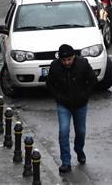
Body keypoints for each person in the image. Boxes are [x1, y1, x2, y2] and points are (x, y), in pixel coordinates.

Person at [46, 43, 98, 174]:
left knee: (80, 131)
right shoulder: (55, 66)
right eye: (64, 60)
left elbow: (92, 80)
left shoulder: (83, 64)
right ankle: (66, 162)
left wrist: (85, 95)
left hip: (80, 104)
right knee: (63, 131)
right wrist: (58, 97)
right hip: (63, 104)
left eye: (69, 59)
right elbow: (49, 84)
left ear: (73, 57)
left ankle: (79, 150)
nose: (66, 63)